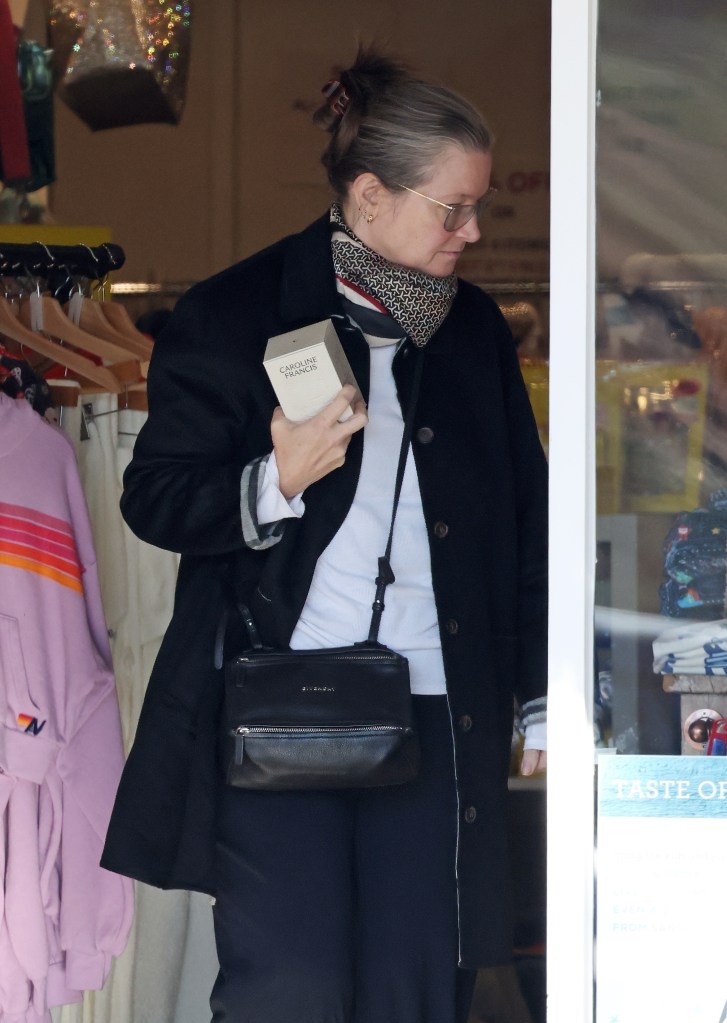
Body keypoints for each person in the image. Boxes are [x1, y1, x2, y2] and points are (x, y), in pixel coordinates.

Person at [101, 45, 548, 1023]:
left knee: (414, 988)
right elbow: (156, 499)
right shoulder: (233, 316)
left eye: (476, 207)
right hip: (280, 708)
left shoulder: (469, 331)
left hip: (438, 708)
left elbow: (525, 519)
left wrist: (541, 699)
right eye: (452, 208)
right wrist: (274, 483)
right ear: (371, 193)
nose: (472, 231)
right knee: (288, 989)